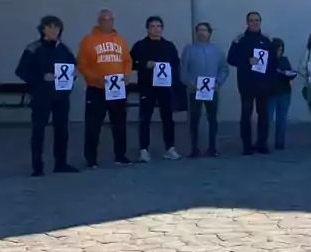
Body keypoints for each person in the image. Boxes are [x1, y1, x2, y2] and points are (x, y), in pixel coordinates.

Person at [15, 15, 78, 176]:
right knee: (38, 131)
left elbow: (72, 66)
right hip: (41, 96)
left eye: (57, 28)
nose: (54, 31)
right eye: (50, 27)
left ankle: (61, 163)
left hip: (61, 96)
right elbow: (21, 71)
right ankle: (37, 166)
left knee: (62, 130)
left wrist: (74, 73)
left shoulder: (64, 49)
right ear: (43, 29)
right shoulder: (34, 48)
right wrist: (40, 77)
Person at [78, 9, 133, 168]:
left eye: (110, 19)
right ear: (98, 21)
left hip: (117, 89)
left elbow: (127, 61)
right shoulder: (88, 41)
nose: (107, 22)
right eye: (104, 19)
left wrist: (127, 75)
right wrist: (95, 79)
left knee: (119, 123)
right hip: (97, 89)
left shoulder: (120, 41)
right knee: (93, 125)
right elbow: (82, 64)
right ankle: (91, 159)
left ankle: (120, 155)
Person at [131, 15, 181, 163]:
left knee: (167, 117)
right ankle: (144, 150)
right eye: (152, 26)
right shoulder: (140, 46)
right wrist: (145, 65)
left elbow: (176, 63)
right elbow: (131, 63)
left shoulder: (169, 46)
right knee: (145, 118)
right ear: (147, 29)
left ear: (162, 28)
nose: (155, 29)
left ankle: (170, 148)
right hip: (147, 87)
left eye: (158, 26)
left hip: (165, 87)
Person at [226, 11, 275, 155]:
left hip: (263, 84)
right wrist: (246, 61)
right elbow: (231, 59)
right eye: (252, 20)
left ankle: (262, 144)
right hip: (246, 84)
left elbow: (273, 62)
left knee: (263, 115)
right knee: (246, 115)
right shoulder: (240, 40)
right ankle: (246, 146)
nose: (255, 23)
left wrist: (270, 81)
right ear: (247, 22)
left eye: (257, 20)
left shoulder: (266, 40)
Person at [181, 21, 228, 158]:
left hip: (212, 90)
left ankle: (213, 147)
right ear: (196, 33)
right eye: (199, 30)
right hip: (194, 89)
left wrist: (218, 82)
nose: (202, 33)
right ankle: (194, 147)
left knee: (212, 119)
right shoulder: (189, 49)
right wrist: (189, 83)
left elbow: (224, 69)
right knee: (194, 119)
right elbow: (183, 69)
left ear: (209, 33)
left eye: (204, 30)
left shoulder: (217, 50)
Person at [267, 38, 297, 150]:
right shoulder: (268, 61)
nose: (279, 52)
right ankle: (264, 141)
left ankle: (280, 143)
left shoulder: (284, 60)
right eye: (277, 49)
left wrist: (290, 74)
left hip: (284, 92)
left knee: (282, 119)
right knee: (267, 118)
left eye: (281, 49)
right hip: (270, 92)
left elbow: (289, 72)